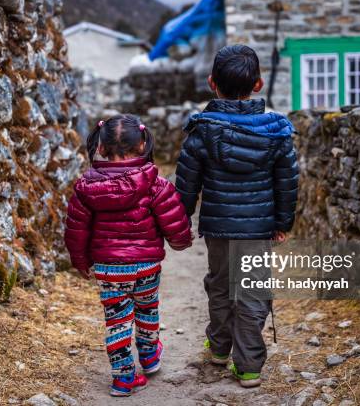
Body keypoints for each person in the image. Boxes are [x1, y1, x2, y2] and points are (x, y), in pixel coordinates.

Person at [175, 44, 299, 387]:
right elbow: (287, 182)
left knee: (220, 285)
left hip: (218, 228)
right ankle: (248, 365)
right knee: (253, 291)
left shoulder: (201, 131)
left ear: (211, 82)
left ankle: (218, 348)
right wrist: (282, 223)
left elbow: (187, 184)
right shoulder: (276, 132)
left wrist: (179, 222)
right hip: (258, 228)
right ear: (257, 85)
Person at [65, 114, 193, 397]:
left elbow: (76, 230)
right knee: (147, 310)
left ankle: (123, 377)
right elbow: (175, 222)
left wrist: (80, 260)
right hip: (146, 266)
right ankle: (149, 357)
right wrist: (182, 242)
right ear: (142, 145)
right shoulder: (156, 184)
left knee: (117, 319)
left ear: (100, 148)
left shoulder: (87, 189)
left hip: (109, 270)